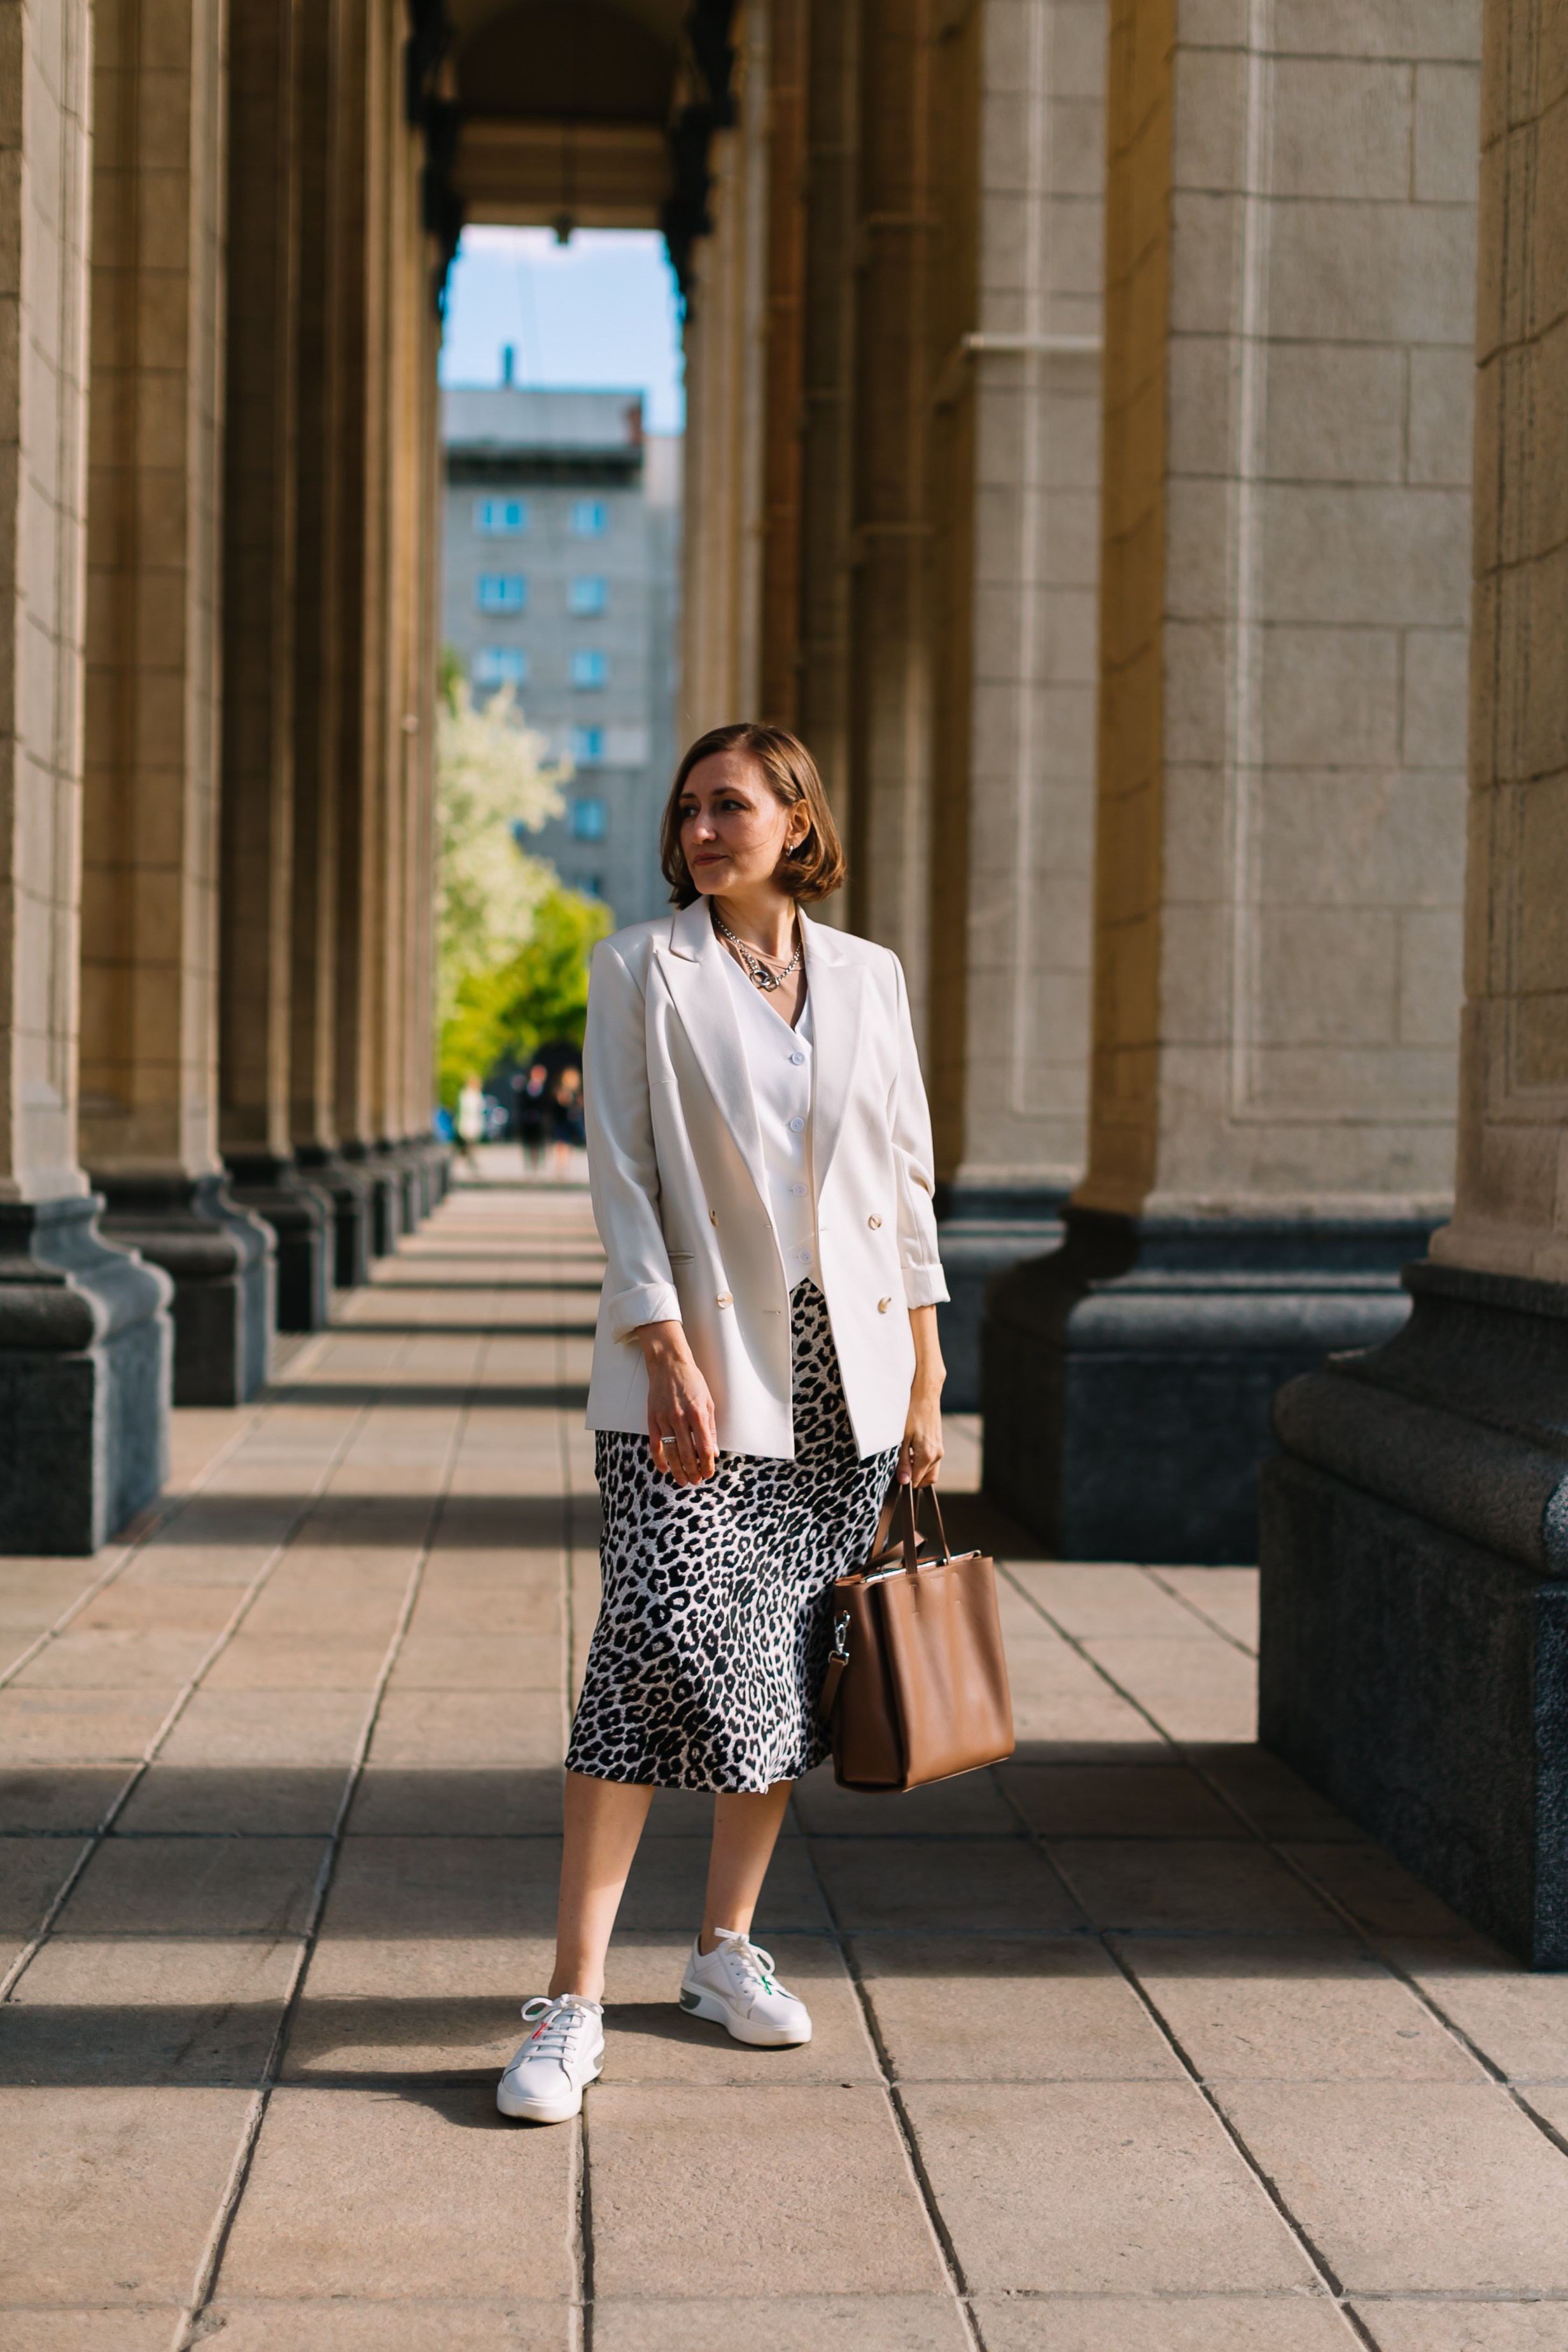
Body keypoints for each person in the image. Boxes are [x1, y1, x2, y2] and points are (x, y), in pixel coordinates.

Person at [498, 722, 948, 2125]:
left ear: (794, 817)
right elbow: (620, 1175)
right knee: (650, 1647)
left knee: (782, 1660)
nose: (702, 827)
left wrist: (929, 1378)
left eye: (730, 805)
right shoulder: (641, 967)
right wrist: (661, 1347)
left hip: (851, 1378)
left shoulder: (867, 977)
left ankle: (719, 1951)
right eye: (687, 808)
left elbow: (907, 1183)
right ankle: (571, 2002)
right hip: (691, 1375)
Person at [455, 1074, 487, 1168]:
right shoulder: (466, 1095)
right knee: (469, 1144)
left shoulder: (477, 1095)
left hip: (475, 1123)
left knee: (472, 1144)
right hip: (467, 1123)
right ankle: (472, 1161)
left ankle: (471, 1160)